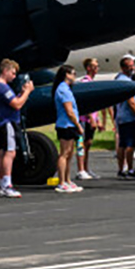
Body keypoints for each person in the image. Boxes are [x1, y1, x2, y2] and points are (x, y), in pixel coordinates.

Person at [0, 60, 33, 197]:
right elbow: (16, 104)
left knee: (4, 152)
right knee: (10, 152)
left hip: (6, 121)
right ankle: (7, 184)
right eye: (13, 73)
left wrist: (21, 93)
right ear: (5, 71)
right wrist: (27, 92)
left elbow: (14, 101)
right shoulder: (2, 87)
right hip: (8, 122)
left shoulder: (3, 88)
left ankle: (4, 183)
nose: (14, 76)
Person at [52, 64, 85, 193]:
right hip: (66, 125)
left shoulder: (67, 89)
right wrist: (78, 126)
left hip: (70, 125)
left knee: (70, 153)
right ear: (67, 75)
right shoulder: (63, 90)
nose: (74, 76)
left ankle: (67, 179)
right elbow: (69, 111)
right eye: (73, 73)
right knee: (64, 153)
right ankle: (61, 182)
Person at [114, 54, 135, 179]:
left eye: (132, 66)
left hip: (121, 116)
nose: (132, 68)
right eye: (129, 66)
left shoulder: (119, 79)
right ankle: (130, 169)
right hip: (129, 117)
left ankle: (121, 169)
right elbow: (131, 101)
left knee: (122, 144)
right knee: (130, 144)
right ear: (123, 68)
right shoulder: (126, 81)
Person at [76, 56, 103, 180]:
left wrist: (97, 120)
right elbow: (85, 104)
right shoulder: (85, 82)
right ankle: (80, 169)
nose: (97, 69)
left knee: (88, 144)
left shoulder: (93, 82)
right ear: (89, 68)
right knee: (81, 144)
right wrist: (91, 119)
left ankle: (86, 168)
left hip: (91, 119)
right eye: (95, 66)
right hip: (83, 119)